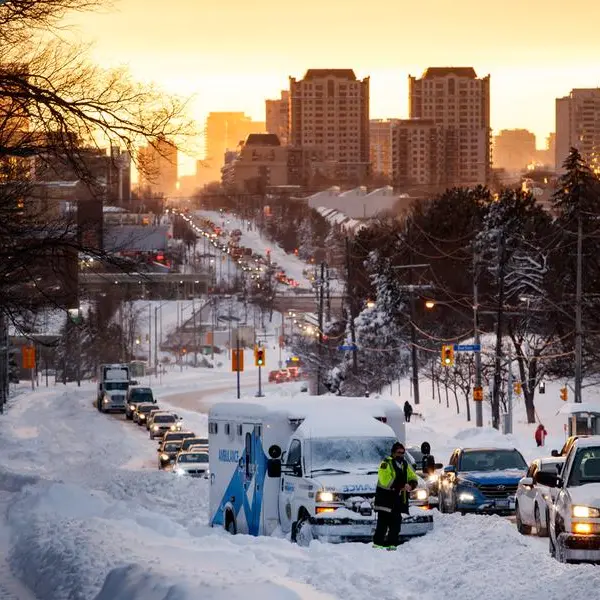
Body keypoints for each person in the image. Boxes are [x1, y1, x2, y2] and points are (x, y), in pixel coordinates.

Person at [373, 442, 418, 550]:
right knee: (382, 525)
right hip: (385, 501)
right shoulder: (385, 464)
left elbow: (413, 476)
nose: (401, 455)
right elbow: (385, 480)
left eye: (403, 453)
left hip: (397, 501)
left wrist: (411, 485)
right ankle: (378, 546)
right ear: (393, 453)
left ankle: (391, 545)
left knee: (396, 525)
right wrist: (402, 485)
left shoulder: (405, 465)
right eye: (399, 452)